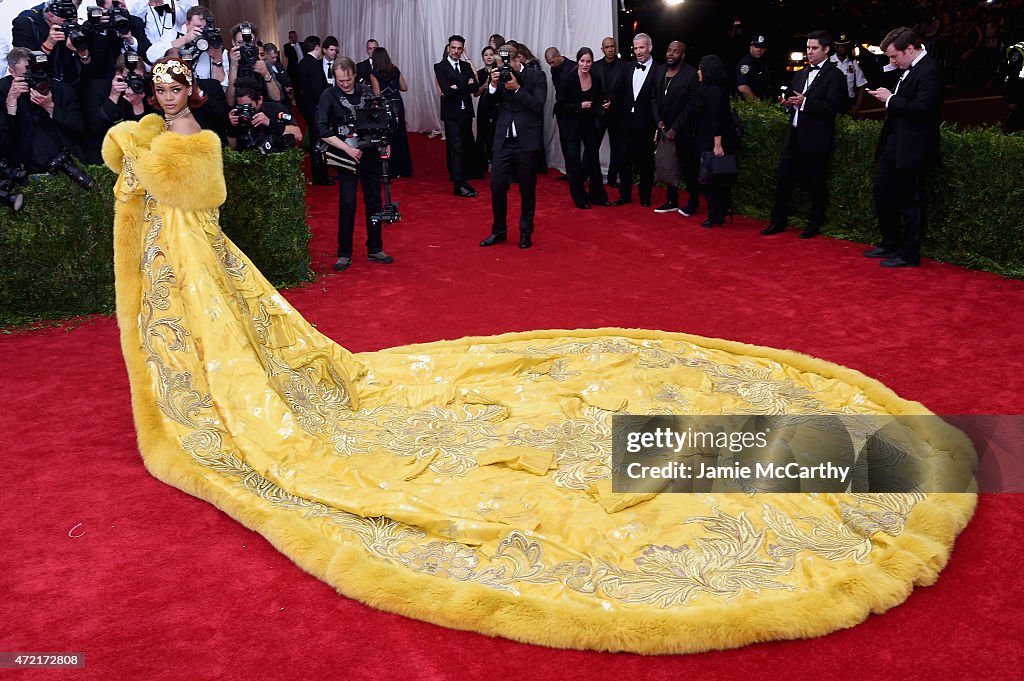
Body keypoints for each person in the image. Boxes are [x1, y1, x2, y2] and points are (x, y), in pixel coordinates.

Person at [100, 55, 973, 658]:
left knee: (589, 428)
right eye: (165, 92)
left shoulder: (195, 143)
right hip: (185, 265)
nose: (172, 99)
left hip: (200, 251)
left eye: (179, 93)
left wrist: (145, 159)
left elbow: (193, 189)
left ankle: (826, 460)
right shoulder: (153, 132)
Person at [865, 27, 943, 268]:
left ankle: (909, 252)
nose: (891, 61)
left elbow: (923, 110)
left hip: (913, 147)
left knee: (910, 200)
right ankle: (890, 242)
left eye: (893, 56)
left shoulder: (929, 70)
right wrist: (891, 78)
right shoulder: (906, 68)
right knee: (882, 191)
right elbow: (901, 94)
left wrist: (889, 99)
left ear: (909, 49)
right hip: (893, 145)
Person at [761, 30, 848, 239]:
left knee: (815, 184)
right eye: (808, 48)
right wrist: (788, 105)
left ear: (826, 50)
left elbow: (835, 107)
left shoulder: (835, 75)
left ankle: (814, 224)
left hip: (816, 139)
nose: (809, 52)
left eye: (814, 48)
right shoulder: (800, 74)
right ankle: (777, 222)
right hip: (794, 136)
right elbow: (795, 105)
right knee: (783, 181)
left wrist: (805, 103)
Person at [317, 57, 394, 272]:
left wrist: (384, 143)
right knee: (347, 203)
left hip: (369, 154)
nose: (345, 84)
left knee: (374, 201)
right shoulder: (328, 95)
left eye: (348, 79)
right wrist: (347, 149)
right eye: (340, 80)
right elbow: (322, 130)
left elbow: (380, 121)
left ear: (353, 74)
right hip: (345, 156)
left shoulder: (366, 91)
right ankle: (344, 252)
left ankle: (376, 248)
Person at [479, 44, 546, 249]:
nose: (504, 67)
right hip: (503, 142)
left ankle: (526, 232)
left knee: (527, 190)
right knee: (497, 187)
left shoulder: (537, 77)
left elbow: (537, 105)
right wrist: (492, 85)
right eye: (500, 63)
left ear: (518, 59)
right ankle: (498, 230)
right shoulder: (499, 77)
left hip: (526, 143)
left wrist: (516, 88)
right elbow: (486, 108)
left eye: (507, 62)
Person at [0, 46, 85, 172]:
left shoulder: (61, 89)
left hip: (66, 165)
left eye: (36, 71)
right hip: (25, 169)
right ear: (12, 72)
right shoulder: (3, 90)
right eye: (26, 74)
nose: (34, 77)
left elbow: (79, 127)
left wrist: (50, 107)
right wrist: (11, 103)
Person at [554, 47, 609, 209]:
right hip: (570, 125)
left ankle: (597, 195)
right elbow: (560, 106)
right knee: (574, 161)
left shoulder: (596, 77)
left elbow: (598, 99)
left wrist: (605, 104)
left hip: (588, 123)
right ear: (578, 61)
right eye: (582, 61)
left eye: (589, 61)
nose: (585, 64)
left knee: (593, 158)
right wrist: (580, 106)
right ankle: (579, 198)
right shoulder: (568, 79)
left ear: (592, 62)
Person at [651, 40, 700, 216]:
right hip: (664, 128)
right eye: (669, 50)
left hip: (684, 131)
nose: (671, 54)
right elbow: (654, 99)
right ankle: (671, 200)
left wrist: (675, 128)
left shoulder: (690, 74)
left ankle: (694, 202)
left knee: (689, 168)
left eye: (676, 51)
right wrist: (659, 122)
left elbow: (692, 105)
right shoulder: (659, 71)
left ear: (683, 55)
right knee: (669, 166)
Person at [692, 55, 738, 227]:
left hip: (713, 141)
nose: (698, 72)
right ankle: (721, 210)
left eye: (700, 68)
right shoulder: (706, 88)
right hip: (705, 138)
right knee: (713, 179)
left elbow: (717, 119)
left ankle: (717, 214)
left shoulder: (715, 91)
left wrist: (717, 145)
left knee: (713, 179)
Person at [612, 33, 657, 207]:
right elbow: (619, 93)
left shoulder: (658, 70)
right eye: (636, 48)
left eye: (642, 47)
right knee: (623, 159)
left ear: (650, 48)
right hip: (626, 123)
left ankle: (645, 197)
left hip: (646, 124)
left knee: (646, 162)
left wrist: (656, 127)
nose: (638, 51)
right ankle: (624, 195)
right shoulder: (627, 68)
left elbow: (658, 101)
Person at [434, 34, 479, 198]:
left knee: (465, 146)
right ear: (448, 48)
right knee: (455, 146)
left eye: (459, 48)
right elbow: (446, 91)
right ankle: (458, 185)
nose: (456, 51)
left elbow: (475, 87)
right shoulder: (439, 67)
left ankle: (462, 177)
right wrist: (464, 86)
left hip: (466, 112)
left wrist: (457, 88)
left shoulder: (466, 66)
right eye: (453, 48)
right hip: (451, 114)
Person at [369, 46, 412, 177]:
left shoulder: (374, 73)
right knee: (400, 135)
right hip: (397, 103)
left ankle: (390, 170)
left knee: (387, 138)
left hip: (385, 105)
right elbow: (404, 87)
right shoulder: (395, 70)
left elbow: (377, 93)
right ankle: (404, 168)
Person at [226, 76, 300, 152]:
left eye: (249, 106)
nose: (245, 110)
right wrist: (232, 127)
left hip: (276, 157)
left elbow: (298, 136)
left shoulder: (276, 109)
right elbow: (233, 148)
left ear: (260, 99)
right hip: (249, 158)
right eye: (241, 106)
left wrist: (269, 123)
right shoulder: (238, 114)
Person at [592, 36, 626, 189]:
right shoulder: (595, 66)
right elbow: (591, 90)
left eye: (612, 46)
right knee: (592, 147)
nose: (611, 49)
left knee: (617, 148)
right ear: (602, 49)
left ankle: (612, 179)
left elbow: (626, 91)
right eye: (607, 47)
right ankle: (593, 177)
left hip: (617, 114)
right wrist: (599, 105)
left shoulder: (625, 67)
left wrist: (615, 102)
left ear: (616, 47)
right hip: (599, 113)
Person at [296, 35, 331, 185]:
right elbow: (318, 90)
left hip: (306, 107)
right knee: (319, 142)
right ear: (317, 47)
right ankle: (320, 176)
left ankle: (319, 175)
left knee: (315, 142)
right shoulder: (314, 65)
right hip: (316, 108)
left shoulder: (302, 63)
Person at [473, 45, 499, 166]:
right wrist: (484, 85)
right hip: (483, 107)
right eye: (486, 55)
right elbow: (475, 94)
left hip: (497, 107)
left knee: (495, 134)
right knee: (483, 134)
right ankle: (484, 161)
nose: (489, 57)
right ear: (482, 58)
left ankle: (496, 161)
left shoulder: (500, 70)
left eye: (491, 54)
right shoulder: (478, 73)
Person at [830, 34, 867, 116]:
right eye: (840, 46)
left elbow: (861, 85)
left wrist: (856, 109)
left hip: (849, 103)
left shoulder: (852, 62)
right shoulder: (829, 62)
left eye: (845, 45)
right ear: (835, 46)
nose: (843, 48)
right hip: (832, 104)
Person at [736, 35, 772, 101]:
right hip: (749, 106)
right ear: (751, 47)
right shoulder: (746, 64)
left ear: (766, 49)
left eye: (762, 47)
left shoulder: (764, 62)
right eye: (756, 46)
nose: (759, 49)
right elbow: (743, 88)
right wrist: (758, 103)